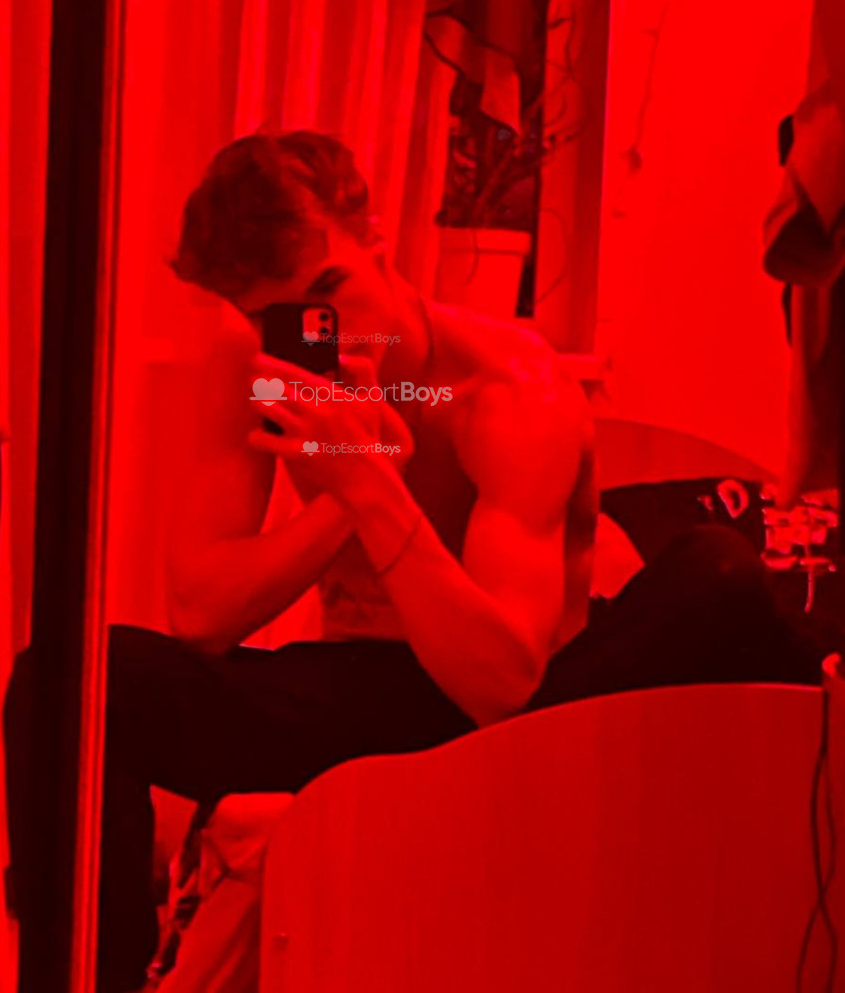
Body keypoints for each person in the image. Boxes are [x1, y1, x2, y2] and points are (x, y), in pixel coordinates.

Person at [96, 131, 598, 991]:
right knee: (83, 681)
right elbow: (201, 614)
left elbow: (503, 683)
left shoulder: (506, 391)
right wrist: (345, 495)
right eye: (277, 316)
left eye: (329, 291)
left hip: (499, 730)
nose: (317, 335)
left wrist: (369, 487)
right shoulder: (263, 370)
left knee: (712, 585)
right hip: (358, 689)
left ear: (375, 238)